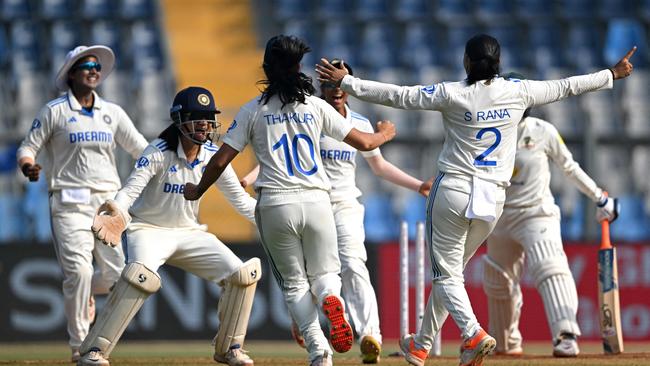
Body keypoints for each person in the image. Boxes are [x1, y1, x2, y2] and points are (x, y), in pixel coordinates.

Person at [316, 34, 636, 366]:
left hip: (452, 193)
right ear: (498, 63)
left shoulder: (453, 92)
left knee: (445, 276)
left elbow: (400, 96)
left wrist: (347, 83)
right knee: (451, 274)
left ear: (467, 62)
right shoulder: (519, 92)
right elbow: (568, 86)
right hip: (492, 200)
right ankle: (421, 345)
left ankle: (473, 333)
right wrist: (611, 74)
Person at [183, 35, 395, 366]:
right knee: (326, 275)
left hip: (276, 204)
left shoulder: (253, 110)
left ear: (267, 68)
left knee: (294, 285)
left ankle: (319, 352)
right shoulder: (317, 106)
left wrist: (198, 189)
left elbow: (220, 160)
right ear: (299, 68)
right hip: (318, 201)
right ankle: (330, 298)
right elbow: (366, 144)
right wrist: (384, 133)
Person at [240, 59, 432, 364]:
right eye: (328, 84)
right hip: (310, 201)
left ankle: (370, 335)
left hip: (344, 206)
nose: (335, 90)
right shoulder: (309, 113)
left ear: (348, 87)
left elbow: (379, 166)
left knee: (354, 264)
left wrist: (418, 184)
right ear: (321, 88)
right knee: (309, 274)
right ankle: (309, 318)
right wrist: (249, 178)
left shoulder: (360, 123)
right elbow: (279, 152)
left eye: (339, 83)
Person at [76, 86, 260, 366]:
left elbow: (241, 202)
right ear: (179, 119)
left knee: (243, 275)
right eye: (196, 117)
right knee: (140, 278)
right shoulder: (158, 151)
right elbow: (131, 189)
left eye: (208, 117)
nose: (204, 124)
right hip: (148, 230)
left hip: (189, 232)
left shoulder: (213, 155)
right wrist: (117, 210)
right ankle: (94, 351)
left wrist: (276, 218)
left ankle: (230, 348)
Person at [16, 45, 148, 362]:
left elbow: (142, 151)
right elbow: (27, 148)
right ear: (71, 73)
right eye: (86, 65)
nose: (93, 70)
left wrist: (159, 168)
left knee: (118, 278)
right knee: (78, 271)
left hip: (108, 205)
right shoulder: (55, 111)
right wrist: (28, 166)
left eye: (96, 66)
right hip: (69, 202)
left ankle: (90, 303)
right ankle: (80, 344)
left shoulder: (112, 113)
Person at [483, 73, 620, 358]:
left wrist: (599, 196)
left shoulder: (542, 131)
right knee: (497, 281)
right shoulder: (485, 132)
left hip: (536, 214)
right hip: (498, 217)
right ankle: (506, 342)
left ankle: (566, 334)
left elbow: (569, 167)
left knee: (550, 267)